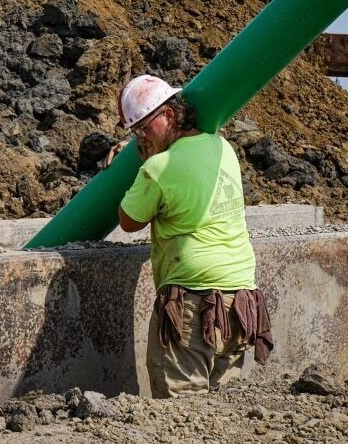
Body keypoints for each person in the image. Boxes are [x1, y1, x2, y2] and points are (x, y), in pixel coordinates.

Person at [106, 74, 273, 398]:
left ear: (169, 115)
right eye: (135, 131)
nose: (141, 138)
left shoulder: (158, 168)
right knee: (221, 410)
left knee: (180, 413)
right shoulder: (221, 146)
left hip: (192, 303)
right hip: (239, 299)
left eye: (144, 127)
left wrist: (143, 165)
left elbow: (128, 221)